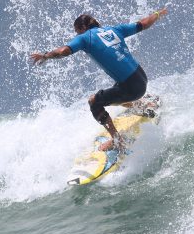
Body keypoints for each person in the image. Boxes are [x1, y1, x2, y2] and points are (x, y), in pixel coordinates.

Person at [30, 8, 168, 151]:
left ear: (82, 28)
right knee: (115, 93)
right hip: (141, 77)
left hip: (131, 87)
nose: (77, 35)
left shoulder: (85, 37)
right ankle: (144, 104)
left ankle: (117, 141)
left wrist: (45, 56)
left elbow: (64, 51)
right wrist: (157, 14)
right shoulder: (114, 30)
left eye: (77, 32)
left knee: (94, 102)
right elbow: (143, 24)